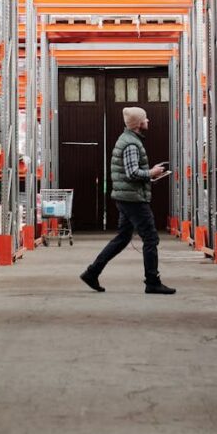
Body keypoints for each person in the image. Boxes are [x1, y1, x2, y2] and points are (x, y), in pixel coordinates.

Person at [80, 105, 176, 295]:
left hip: (127, 197)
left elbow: (130, 172)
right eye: (146, 119)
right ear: (139, 123)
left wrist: (151, 174)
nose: (148, 121)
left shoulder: (129, 140)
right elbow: (132, 173)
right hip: (133, 199)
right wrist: (151, 173)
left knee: (123, 238)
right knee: (151, 237)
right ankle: (152, 281)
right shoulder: (131, 144)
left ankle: (92, 272)